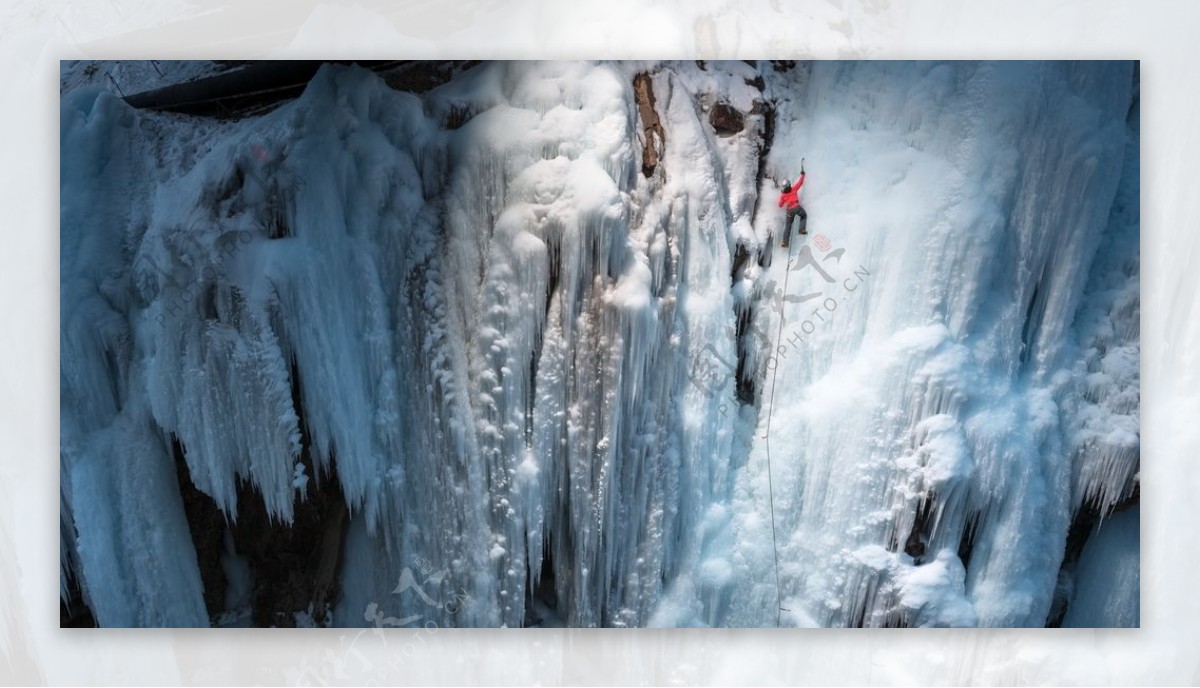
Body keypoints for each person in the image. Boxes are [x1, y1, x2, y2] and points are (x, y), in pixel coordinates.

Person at [778, 164, 807, 248]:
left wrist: (783, 199)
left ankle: (785, 242)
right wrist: (802, 174)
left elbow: (780, 205)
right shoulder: (793, 189)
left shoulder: (782, 195)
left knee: (788, 225)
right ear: (789, 185)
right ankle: (801, 229)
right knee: (804, 215)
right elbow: (800, 182)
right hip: (797, 207)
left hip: (789, 211)